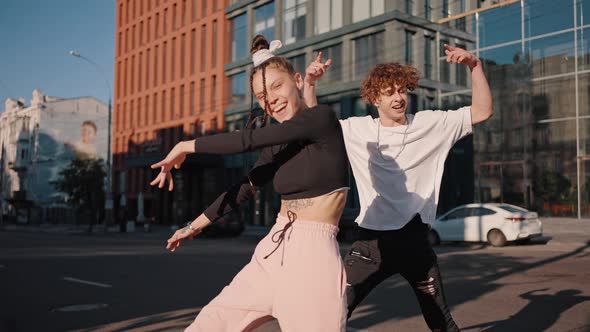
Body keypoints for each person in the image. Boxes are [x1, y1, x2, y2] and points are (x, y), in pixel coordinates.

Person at [150, 35, 350, 332]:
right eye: (261, 96)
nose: (271, 100)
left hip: (313, 258)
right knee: (208, 324)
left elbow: (249, 139)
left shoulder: (322, 120)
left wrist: (185, 145)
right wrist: (192, 226)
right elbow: (244, 188)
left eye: (276, 86)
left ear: (296, 80)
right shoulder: (278, 147)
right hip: (272, 250)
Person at [304, 44, 493, 331]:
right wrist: (309, 83)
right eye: (389, 92)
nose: (398, 97)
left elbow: (482, 111)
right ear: (374, 98)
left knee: (441, 321)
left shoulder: (431, 124)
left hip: (415, 243)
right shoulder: (358, 130)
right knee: (333, 310)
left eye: (402, 90)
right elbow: (317, 124)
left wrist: (474, 66)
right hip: (371, 245)